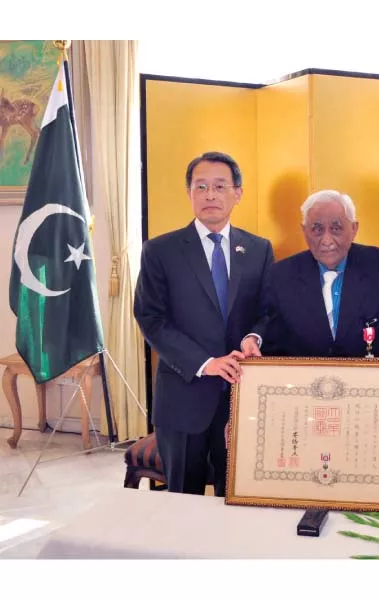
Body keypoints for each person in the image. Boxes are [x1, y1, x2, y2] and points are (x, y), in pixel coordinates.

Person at [133, 151, 274, 496]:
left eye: (220, 186)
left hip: (240, 397)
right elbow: (151, 318)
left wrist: (254, 337)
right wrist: (205, 363)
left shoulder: (259, 250)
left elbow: (269, 311)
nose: (210, 194)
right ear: (189, 193)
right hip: (183, 399)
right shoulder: (160, 251)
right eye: (201, 186)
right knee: (183, 500)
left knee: (238, 497)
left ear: (237, 193)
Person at [240, 189, 379, 360]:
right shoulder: (282, 275)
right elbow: (270, 334)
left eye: (336, 228)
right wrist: (254, 339)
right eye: (317, 229)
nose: (326, 240)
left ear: (354, 229)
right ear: (304, 231)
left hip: (371, 382)